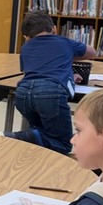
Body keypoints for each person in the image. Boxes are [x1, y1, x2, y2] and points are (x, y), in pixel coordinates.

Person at [6, 10, 97, 154]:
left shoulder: (25, 48)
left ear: (27, 37)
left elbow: (36, 70)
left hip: (23, 93)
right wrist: (67, 56)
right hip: (50, 92)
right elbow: (92, 52)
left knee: (42, 134)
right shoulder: (64, 42)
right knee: (63, 143)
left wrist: (68, 74)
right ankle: (17, 137)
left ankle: (23, 139)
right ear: (53, 28)